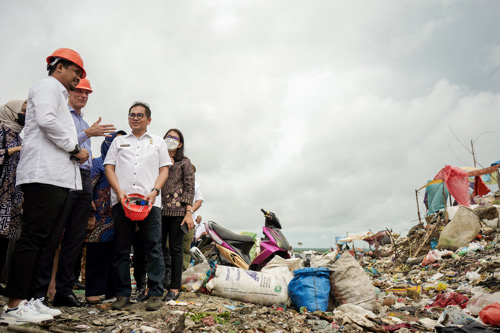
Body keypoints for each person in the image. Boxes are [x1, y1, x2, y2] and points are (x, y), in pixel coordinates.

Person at [0, 48, 89, 325]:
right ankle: (14, 306)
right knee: (34, 238)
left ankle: (29, 301)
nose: (78, 78)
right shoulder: (47, 86)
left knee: (44, 240)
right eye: (76, 72)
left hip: (56, 176)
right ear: (59, 67)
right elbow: (46, 121)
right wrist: (74, 147)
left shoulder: (57, 93)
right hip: (43, 175)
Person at [30, 78, 116, 308]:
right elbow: (59, 142)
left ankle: (64, 291)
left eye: (87, 92)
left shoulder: (84, 120)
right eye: (79, 91)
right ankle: (39, 291)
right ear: (69, 91)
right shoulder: (62, 116)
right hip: (65, 174)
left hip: (84, 179)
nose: (83, 95)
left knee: (75, 240)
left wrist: (87, 132)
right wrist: (87, 133)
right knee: (53, 235)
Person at [104, 102, 170, 312]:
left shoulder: (158, 142)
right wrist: (119, 191)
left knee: (153, 248)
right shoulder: (119, 142)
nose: (135, 118)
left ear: (148, 120)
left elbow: (164, 170)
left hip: (150, 203)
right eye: (132, 115)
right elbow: (109, 167)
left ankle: (155, 293)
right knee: (121, 249)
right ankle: (122, 294)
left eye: (140, 115)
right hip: (123, 203)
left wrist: (155, 191)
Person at [85, 130, 126, 304]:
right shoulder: (98, 163)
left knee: (115, 254)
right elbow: (88, 188)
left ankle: (111, 291)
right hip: (100, 217)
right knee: (97, 254)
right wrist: (90, 213)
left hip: (119, 217)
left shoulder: (125, 166)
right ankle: (93, 291)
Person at [161, 129, 195, 301]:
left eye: (174, 138)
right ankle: (155, 287)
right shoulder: (158, 159)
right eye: (168, 136)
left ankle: (174, 287)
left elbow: (190, 188)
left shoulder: (185, 163)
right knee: (157, 249)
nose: (170, 139)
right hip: (157, 211)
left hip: (178, 212)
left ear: (180, 144)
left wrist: (188, 212)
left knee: (176, 250)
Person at [0, 100, 26, 285]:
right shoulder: (1, 129)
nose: (25, 115)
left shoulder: (19, 136)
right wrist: (16, 150)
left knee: (5, 238)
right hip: (1, 190)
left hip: (12, 194)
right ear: (11, 111)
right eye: (23, 111)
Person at [182, 165, 203, 270]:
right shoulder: (175, 182)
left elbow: (199, 201)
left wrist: (189, 212)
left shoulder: (195, 185)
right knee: (168, 248)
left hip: (188, 223)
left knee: (185, 249)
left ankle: (182, 273)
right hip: (172, 219)